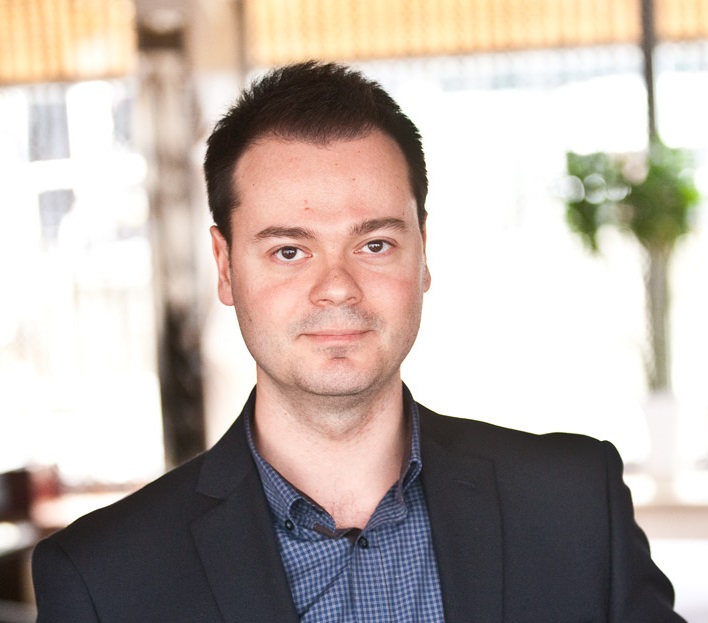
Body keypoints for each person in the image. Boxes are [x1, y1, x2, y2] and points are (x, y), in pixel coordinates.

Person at [32, 61, 685, 623]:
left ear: (422, 252)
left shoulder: (575, 506)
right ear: (225, 267)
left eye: (374, 244)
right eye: (289, 251)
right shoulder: (103, 577)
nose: (337, 288)